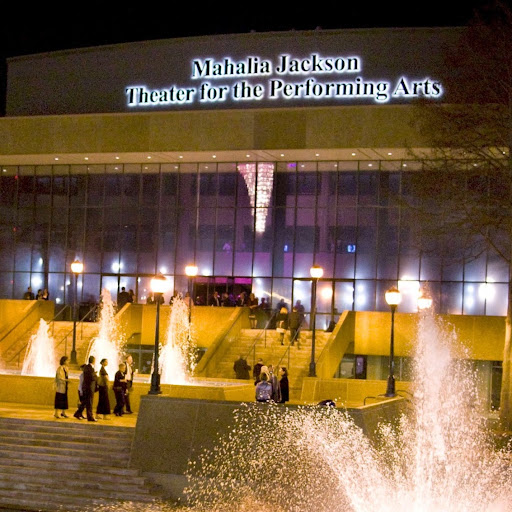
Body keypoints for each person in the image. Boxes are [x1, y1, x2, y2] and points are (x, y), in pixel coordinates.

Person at [80, 356, 98, 422]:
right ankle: (90, 417)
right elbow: (90, 377)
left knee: (87, 402)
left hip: (89, 388)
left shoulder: (88, 367)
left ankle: (78, 413)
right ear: (93, 361)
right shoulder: (88, 367)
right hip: (89, 388)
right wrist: (95, 376)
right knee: (89, 403)